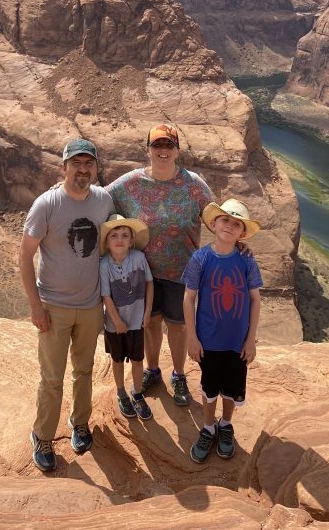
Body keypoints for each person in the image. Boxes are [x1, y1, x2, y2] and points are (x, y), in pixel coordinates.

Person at [20, 137, 114, 473]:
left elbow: (122, 238)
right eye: (77, 163)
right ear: (64, 167)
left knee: (84, 371)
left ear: (95, 168)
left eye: (89, 164)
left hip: (89, 307)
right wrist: (35, 306)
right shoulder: (47, 205)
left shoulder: (103, 200)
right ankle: (43, 436)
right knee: (52, 378)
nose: (83, 169)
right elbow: (25, 255)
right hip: (54, 306)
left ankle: (80, 423)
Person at [106, 124, 213, 407]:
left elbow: (216, 218)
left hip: (182, 271)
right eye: (157, 145)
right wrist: (64, 190)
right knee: (151, 323)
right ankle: (153, 371)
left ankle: (178, 375)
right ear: (148, 149)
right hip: (143, 273)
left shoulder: (195, 185)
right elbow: (100, 198)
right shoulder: (129, 183)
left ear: (177, 150)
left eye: (169, 146)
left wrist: (238, 241)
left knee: (177, 327)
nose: (163, 151)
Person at [181, 199, 263, 463]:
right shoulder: (200, 258)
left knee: (232, 387)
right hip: (209, 340)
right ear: (214, 223)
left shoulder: (247, 261)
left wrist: (250, 340)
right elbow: (188, 298)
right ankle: (208, 427)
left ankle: (225, 424)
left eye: (236, 223)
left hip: (237, 342)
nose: (229, 226)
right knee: (209, 386)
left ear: (242, 233)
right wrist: (192, 338)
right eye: (225, 220)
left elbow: (255, 299)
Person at [99, 214, 155, 421]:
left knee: (138, 359)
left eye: (124, 235)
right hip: (115, 325)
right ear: (107, 242)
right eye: (114, 235)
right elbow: (106, 296)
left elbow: (149, 283)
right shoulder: (104, 265)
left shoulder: (139, 258)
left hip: (137, 321)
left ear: (132, 240)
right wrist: (117, 321)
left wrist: (147, 311)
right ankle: (121, 391)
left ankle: (138, 393)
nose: (119, 239)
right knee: (117, 359)